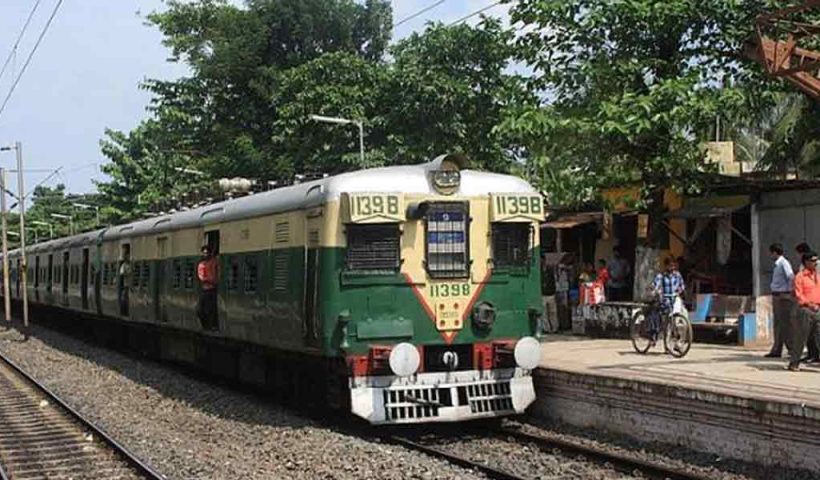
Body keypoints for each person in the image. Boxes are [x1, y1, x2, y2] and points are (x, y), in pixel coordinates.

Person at [648, 257, 686, 347]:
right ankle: (654, 336)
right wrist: (655, 291)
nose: (672, 268)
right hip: (665, 300)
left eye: (673, 265)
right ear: (666, 266)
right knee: (655, 315)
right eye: (670, 265)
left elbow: (682, 286)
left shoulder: (677, 275)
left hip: (675, 299)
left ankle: (678, 343)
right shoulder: (661, 276)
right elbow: (655, 285)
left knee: (678, 322)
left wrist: (679, 291)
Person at [766, 243, 795, 359]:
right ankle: (777, 349)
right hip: (778, 295)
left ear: (774, 252)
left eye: (771, 253)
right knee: (778, 323)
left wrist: (788, 292)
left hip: (782, 296)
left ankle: (792, 348)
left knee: (785, 323)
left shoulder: (783, 263)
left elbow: (791, 277)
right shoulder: (778, 264)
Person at [196, 245, 219, 331]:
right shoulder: (201, 265)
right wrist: (212, 280)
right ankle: (205, 326)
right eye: (204, 253)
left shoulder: (214, 262)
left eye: (207, 253)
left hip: (213, 289)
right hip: (205, 290)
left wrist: (213, 281)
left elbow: (218, 274)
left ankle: (212, 326)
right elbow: (202, 278)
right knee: (200, 310)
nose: (206, 254)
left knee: (212, 309)